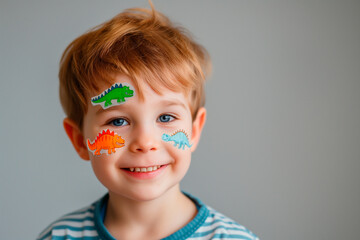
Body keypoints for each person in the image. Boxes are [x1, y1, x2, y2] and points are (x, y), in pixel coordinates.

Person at [37, 2, 259, 240]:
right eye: (118, 121)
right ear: (80, 140)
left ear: (194, 131)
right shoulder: (60, 236)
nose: (145, 142)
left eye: (166, 117)